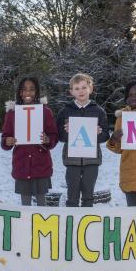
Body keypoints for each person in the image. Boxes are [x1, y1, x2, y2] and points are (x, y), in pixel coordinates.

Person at [1, 77, 58, 206]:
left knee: (42, 204)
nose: (28, 93)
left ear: (37, 92)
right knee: (25, 205)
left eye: (32, 89)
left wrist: (48, 139)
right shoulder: (12, 113)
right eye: (24, 89)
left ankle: (42, 226)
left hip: (41, 164)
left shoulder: (45, 112)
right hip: (22, 164)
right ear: (20, 92)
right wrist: (7, 141)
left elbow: (54, 136)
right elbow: (5, 137)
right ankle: (25, 226)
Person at [56, 73, 110, 207]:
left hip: (92, 160)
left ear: (91, 89)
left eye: (84, 87)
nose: (81, 91)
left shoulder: (99, 111)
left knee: (88, 196)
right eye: (77, 88)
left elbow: (105, 136)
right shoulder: (65, 112)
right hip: (72, 160)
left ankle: (87, 225)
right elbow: (60, 136)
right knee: (72, 196)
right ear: (71, 92)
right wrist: (66, 131)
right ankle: (71, 225)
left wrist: (98, 133)